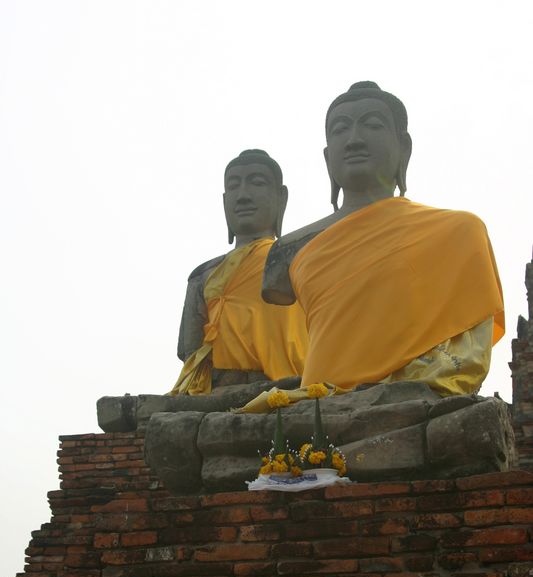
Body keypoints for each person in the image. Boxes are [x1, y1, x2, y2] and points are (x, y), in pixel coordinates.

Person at [262, 82, 505, 395]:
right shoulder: (289, 249)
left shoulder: (458, 232)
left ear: (404, 147)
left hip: (414, 402)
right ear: (327, 157)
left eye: (373, 125)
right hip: (317, 407)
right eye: (340, 130)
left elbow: (464, 352)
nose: (354, 140)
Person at [170, 150, 308, 395]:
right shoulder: (203, 275)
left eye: (257, 183)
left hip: (291, 387)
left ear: (281, 198)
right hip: (217, 391)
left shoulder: (301, 260)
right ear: (224, 201)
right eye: (234, 186)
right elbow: (191, 355)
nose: (243, 196)